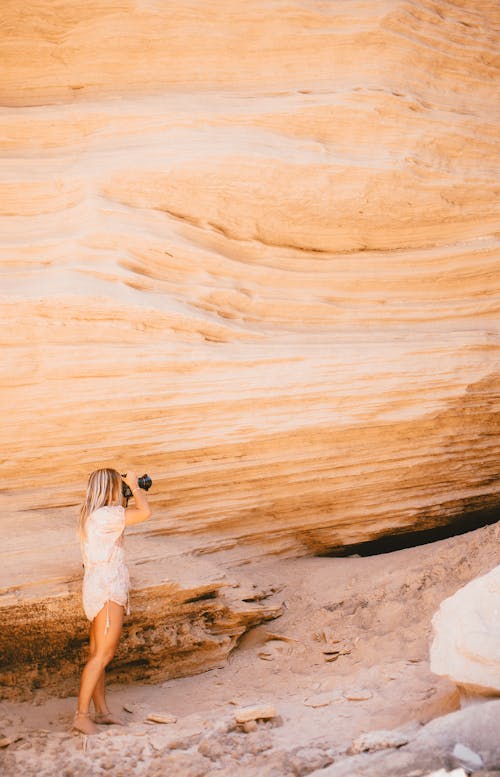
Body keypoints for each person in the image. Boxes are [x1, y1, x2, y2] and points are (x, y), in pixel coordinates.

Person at [73, 468, 152, 735]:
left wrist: (126, 493)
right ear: (109, 487)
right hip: (108, 590)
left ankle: (102, 712)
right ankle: (81, 716)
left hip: (96, 588)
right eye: (118, 485)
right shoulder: (107, 516)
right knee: (103, 655)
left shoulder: (93, 515)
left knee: (97, 654)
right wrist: (136, 488)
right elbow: (145, 513)